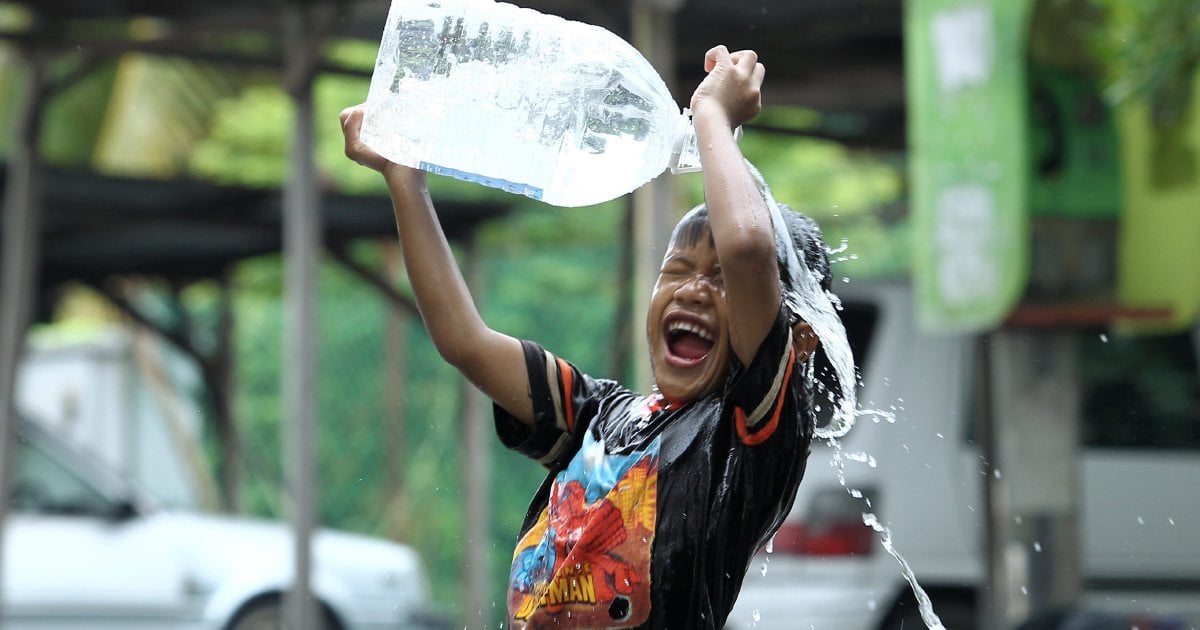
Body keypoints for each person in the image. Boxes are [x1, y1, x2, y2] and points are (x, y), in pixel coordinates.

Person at [341, 44, 835, 630]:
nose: (694, 291)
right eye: (677, 269)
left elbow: (752, 250)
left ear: (795, 341)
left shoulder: (749, 437)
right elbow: (464, 342)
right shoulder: (596, 419)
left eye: (723, 280)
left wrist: (712, 118)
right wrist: (404, 178)